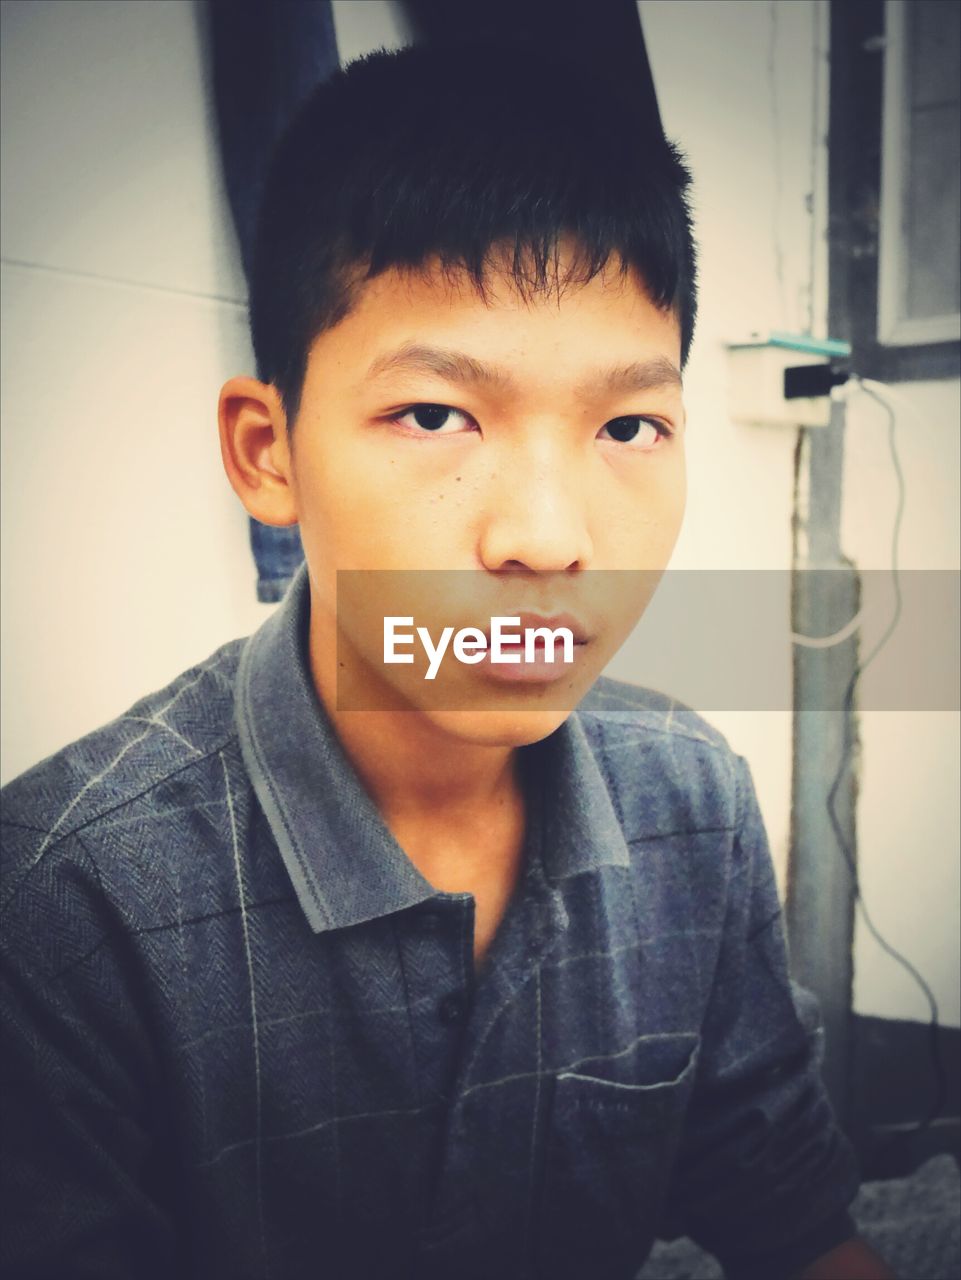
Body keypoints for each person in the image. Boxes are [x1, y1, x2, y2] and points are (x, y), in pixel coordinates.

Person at [0, 39, 894, 1280]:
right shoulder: (63, 907)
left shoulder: (693, 802)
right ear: (270, 452)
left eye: (630, 424)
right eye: (435, 415)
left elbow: (788, 1210)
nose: (546, 536)